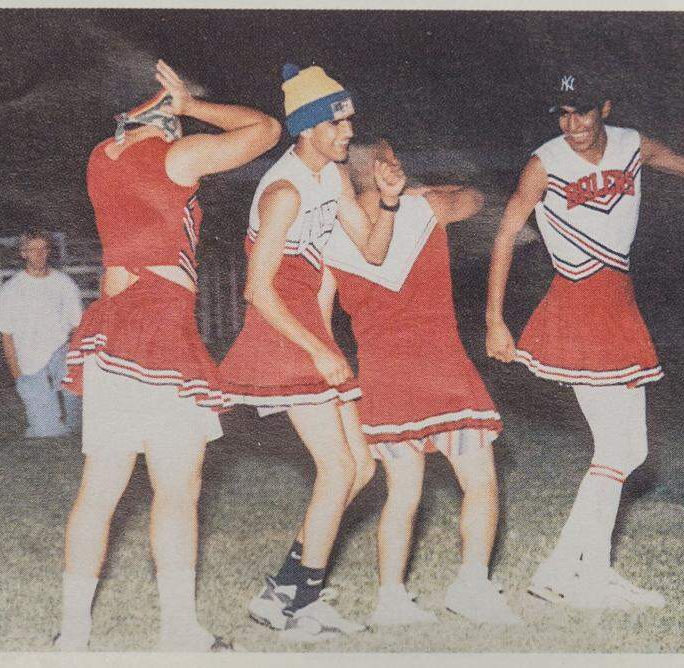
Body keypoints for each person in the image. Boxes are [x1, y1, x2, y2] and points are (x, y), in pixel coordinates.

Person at [484, 66, 684, 609]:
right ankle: (571, 571)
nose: (572, 123)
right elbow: (506, 231)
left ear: (604, 108)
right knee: (622, 447)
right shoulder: (546, 162)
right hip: (578, 301)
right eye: (562, 113)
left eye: (582, 110)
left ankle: (577, 569)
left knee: (627, 448)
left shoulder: (633, 146)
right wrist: (495, 318)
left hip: (617, 302)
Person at [55, 60, 281, 651]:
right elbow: (264, 131)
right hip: (159, 326)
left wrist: (154, 112)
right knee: (177, 490)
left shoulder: (99, 159)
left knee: (99, 488)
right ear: (162, 115)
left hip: (111, 329)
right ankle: (179, 632)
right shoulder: (170, 157)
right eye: (175, 118)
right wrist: (190, 105)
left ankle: (71, 639)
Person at [217, 64, 403, 641]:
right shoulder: (284, 190)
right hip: (278, 335)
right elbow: (258, 288)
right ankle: (294, 603)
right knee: (338, 467)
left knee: (364, 466)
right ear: (307, 128)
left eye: (349, 119)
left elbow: (370, 251)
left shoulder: (333, 177)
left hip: (309, 332)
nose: (349, 131)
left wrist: (389, 203)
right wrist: (314, 350)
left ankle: (289, 590)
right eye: (337, 121)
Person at [322, 140, 520, 626]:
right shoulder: (423, 207)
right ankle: (471, 586)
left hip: (385, 375)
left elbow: (321, 312)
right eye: (393, 157)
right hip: (442, 368)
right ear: (387, 168)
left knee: (402, 495)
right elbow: (475, 198)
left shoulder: (329, 234)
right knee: (480, 483)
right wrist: (422, 189)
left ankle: (391, 598)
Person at [0, 229, 83, 438]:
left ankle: (76, 418)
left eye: (43, 249)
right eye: (32, 250)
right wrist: (18, 375)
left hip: (62, 352)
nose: (39, 255)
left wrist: (77, 366)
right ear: (23, 253)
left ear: (49, 251)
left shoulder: (64, 283)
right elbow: (6, 335)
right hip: (29, 358)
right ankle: (46, 419)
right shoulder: (11, 289)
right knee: (46, 432)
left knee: (79, 426)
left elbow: (77, 326)